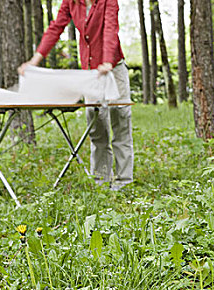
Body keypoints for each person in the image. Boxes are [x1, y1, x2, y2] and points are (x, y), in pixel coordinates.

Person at [18, 0, 133, 190]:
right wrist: (35, 60)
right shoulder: (71, 2)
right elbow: (56, 28)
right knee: (97, 127)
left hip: (114, 68)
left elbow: (110, 28)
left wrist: (106, 62)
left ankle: (124, 183)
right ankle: (102, 183)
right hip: (91, 73)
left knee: (120, 121)